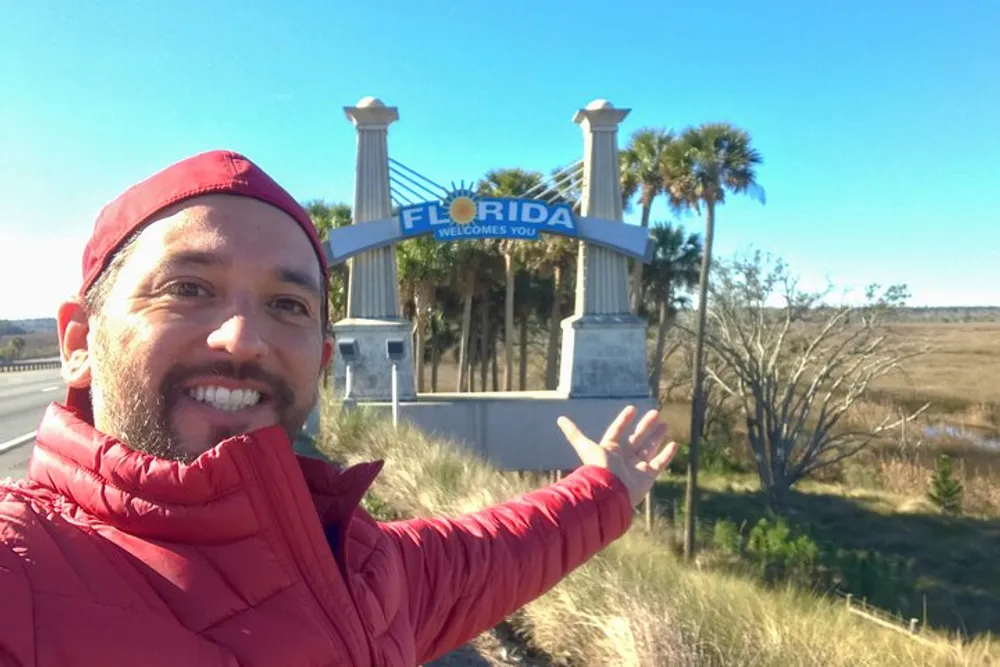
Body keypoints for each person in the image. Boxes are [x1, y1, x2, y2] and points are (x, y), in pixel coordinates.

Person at [0, 150, 676, 667]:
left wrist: (607, 488)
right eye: (188, 287)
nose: (242, 336)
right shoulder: (21, 569)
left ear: (322, 362)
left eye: (287, 304)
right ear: (79, 343)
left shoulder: (363, 567)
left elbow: (499, 551)